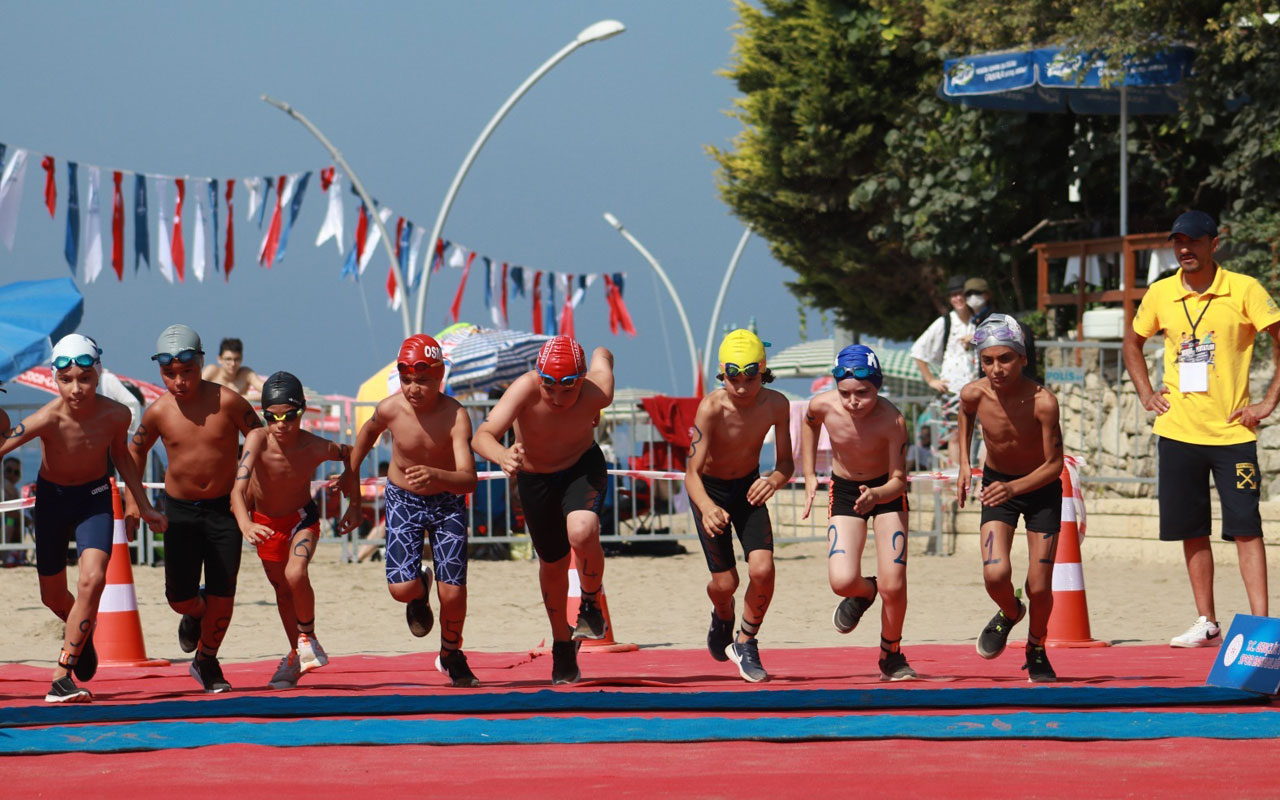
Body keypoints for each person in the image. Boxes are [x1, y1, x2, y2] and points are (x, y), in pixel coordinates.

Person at [1123, 210, 1280, 647]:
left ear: (1215, 243)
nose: (1185, 249)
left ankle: (1261, 626)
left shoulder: (1244, 289)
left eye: (1193, 241)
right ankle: (1206, 620)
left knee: (1246, 528)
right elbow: (1132, 343)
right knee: (1191, 528)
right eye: (1178, 242)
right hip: (1177, 432)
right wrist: (1146, 393)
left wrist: (1267, 402)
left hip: (1232, 434)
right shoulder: (1161, 292)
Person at [0, 335, 167, 702]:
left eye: (85, 379)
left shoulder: (117, 414)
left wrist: (144, 504)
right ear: (55, 380)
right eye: (66, 380)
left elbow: (122, 458)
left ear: (98, 374)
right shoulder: (45, 418)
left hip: (93, 499)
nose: (76, 389)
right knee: (52, 596)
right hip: (51, 501)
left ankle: (62, 675)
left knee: (94, 580)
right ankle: (82, 633)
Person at [125, 324, 263, 693]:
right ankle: (194, 611)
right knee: (179, 598)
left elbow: (258, 432)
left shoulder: (228, 400)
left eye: (187, 372)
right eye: (170, 374)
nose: (179, 381)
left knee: (224, 593)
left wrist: (249, 480)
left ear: (200, 363)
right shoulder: (157, 412)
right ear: (161, 373)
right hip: (181, 511)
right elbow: (134, 452)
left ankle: (206, 661)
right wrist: (134, 504)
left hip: (224, 509)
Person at [472, 335, 614, 685]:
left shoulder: (599, 391)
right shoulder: (524, 389)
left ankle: (591, 604)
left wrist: (600, 353)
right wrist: (502, 455)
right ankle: (562, 643)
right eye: (549, 387)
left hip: (581, 465)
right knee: (552, 563)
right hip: (536, 479)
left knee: (582, 530)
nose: (557, 397)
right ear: (539, 378)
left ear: (582, 380)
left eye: (569, 388)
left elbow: (603, 354)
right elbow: (483, 435)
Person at [350, 335, 480, 687]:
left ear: (439, 378)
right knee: (400, 590)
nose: (413, 389)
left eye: (422, 381)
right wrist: (351, 476)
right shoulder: (391, 408)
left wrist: (437, 474)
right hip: (403, 499)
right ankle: (420, 589)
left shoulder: (456, 415)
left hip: (447, 501)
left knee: (453, 592)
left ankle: (451, 653)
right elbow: (367, 433)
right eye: (406, 380)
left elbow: (469, 480)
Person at [231, 371, 358, 689]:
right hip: (265, 524)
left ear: (302, 412)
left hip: (302, 519)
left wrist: (352, 495)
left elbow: (352, 454)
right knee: (283, 594)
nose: (281, 424)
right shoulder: (258, 439)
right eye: (272, 417)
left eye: (290, 415)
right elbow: (237, 490)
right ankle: (297, 653)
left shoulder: (315, 446)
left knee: (295, 574)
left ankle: (308, 638)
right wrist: (245, 523)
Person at [956, 315, 1063, 683]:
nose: (997, 369)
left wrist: (1015, 489)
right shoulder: (974, 393)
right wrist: (963, 465)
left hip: (1040, 490)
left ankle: (1036, 647)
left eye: (1005, 359)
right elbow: (966, 416)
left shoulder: (1043, 401)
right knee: (994, 574)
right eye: (988, 360)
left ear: (1022, 358)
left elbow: (1055, 465)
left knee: (1039, 585)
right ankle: (1010, 611)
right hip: (997, 483)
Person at [684, 329, 793, 683]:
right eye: (734, 378)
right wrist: (706, 507)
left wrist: (773, 481)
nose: (742, 387)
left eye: (751, 378)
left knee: (762, 570)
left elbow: (786, 464)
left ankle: (745, 641)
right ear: (722, 374)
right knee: (725, 582)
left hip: (748, 488)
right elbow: (691, 474)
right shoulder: (712, 406)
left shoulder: (777, 404)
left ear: (763, 372)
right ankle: (721, 611)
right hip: (710, 490)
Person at [802, 344, 915, 680]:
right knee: (841, 581)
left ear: (877, 386)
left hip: (886, 493)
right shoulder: (823, 405)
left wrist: (877, 495)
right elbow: (809, 424)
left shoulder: (892, 419)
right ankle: (865, 592)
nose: (853, 402)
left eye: (863, 393)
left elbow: (899, 480)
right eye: (846, 393)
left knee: (894, 585)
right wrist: (809, 474)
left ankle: (891, 653)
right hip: (847, 489)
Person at [912, 275, 977, 467]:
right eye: (953, 295)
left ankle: (978, 483)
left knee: (982, 434)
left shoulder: (979, 320)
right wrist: (931, 380)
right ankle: (959, 481)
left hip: (979, 385)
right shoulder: (945, 322)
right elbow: (918, 350)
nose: (957, 299)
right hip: (952, 388)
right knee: (956, 435)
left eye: (961, 294)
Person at [967, 278, 1039, 381]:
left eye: (977, 293)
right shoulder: (973, 322)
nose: (973, 297)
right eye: (969, 294)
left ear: (987, 295)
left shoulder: (1001, 320)